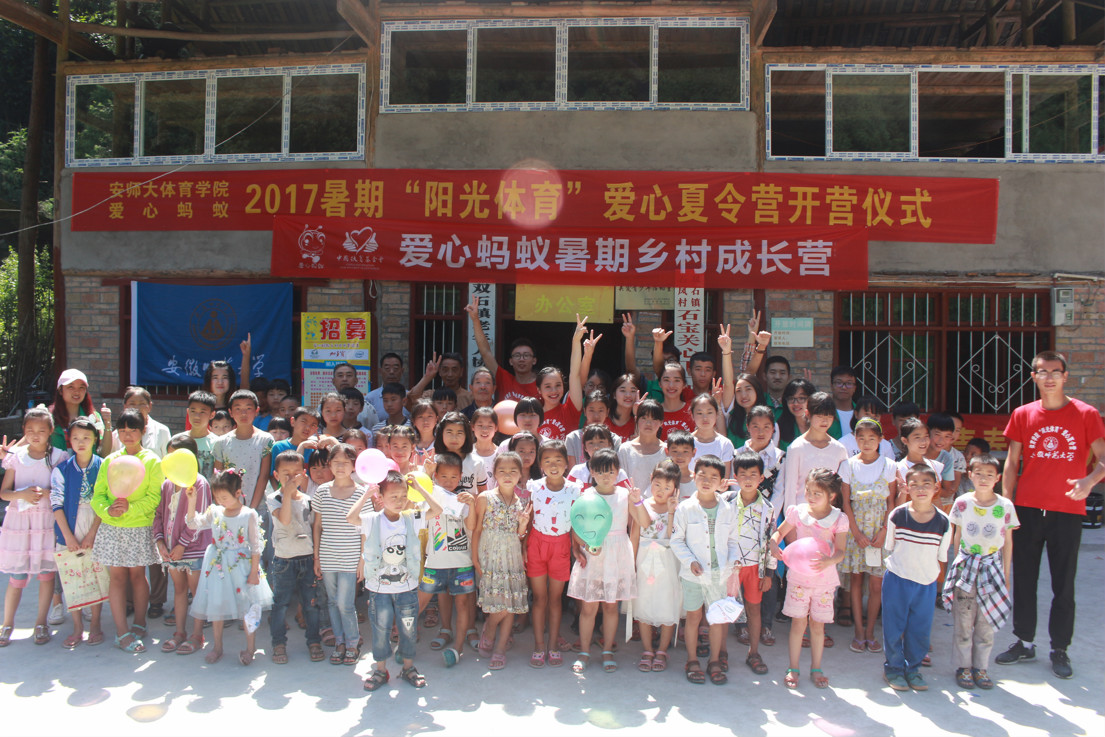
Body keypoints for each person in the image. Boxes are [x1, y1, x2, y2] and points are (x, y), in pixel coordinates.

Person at [995, 351, 1105, 680]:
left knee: (1063, 584)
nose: (1050, 377)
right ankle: (1024, 641)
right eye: (1043, 372)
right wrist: (1006, 504)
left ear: (1065, 376)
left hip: (1067, 510)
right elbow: (1012, 462)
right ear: (1033, 377)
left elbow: (1102, 458)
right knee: (1024, 579)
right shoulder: (1023, 414)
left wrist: (1089, 481)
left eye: (1056, 371)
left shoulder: (1086, 414)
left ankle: (1060, 648)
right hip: (1027, 509)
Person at [567, 449, 650, 674]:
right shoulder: (586, 496)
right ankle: (584, 652)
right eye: (601, 471)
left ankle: (607, 651)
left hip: (618, 552)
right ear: (592, 472)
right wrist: (584, 546)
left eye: (611, 472)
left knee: (611, 606)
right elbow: (577, 526)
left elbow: (644, 523)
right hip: (593, 553)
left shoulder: (625, 495)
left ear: (618, 472)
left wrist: (638, 501)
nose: (606, 476)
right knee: (588, 607)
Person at [90, 409, 164, 653]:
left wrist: (129, 509)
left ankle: (140, 622)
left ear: (143, 431)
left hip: (139, 528)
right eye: (122, 430)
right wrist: (108, 510)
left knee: (138, 576)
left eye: (133, 430)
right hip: (113, 528)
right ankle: (121, 632)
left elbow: (154, 498)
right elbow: (98, 496)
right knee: (117, 578)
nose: (127, 435)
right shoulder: (110, 460)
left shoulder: (152, 461)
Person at [943, 454, 1018, 691]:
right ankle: (963, 666)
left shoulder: (1005, 506)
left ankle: (981, 667)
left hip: (992, 569)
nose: (983, 478)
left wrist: (1006, 575)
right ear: (970, 475)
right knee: (964, 622)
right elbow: (957, 535)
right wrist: (956, 566)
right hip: (966, 568)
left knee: (986, 624)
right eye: (978, 473)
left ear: (997, 478)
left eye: (989, 474)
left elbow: (1008, 542)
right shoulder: (962, 502)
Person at [770, 468, 849, 689]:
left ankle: (816, 668)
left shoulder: (839, 518)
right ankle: (793, 667)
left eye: (817, 493)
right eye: (808, 491)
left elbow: (841, 551)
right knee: (798, 624)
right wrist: (774, 543)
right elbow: (779, 532)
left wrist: (829, 560)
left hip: (824, 582)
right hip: (798, 579)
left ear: (831, 496)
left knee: (817, 626)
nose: (810, 497)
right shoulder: (797, 512)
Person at [185, 468, 274, 666]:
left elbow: (256, 545)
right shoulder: (215, 511)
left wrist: (254, 572)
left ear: (238, 493)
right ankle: (217, 647)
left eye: (224, 497)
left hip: (242, 566)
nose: (220, 501)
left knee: (247, 607)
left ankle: (250, 648)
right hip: (218, 566)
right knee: (217, 604)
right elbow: (193, 524)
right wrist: (192, 501)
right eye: (217, 497)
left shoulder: (248, 514)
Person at [355, 471, 434, 690]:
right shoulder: (372, 520)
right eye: (393, 496)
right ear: (381, 496)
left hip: (407, 587)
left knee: (408, 628)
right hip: (378, 588)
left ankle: (408, 667)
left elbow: (436, 510)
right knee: (380, 629)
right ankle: (380, 670)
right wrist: (366, 495)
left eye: (403, 496)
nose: (399, 501)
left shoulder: (411, 518)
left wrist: (420, 489)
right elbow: (351, 518)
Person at [670, 455, 740, 685]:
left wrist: (732, 562)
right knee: (693, 617)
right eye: (703, 475)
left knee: (717, 619)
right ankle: (692, 660)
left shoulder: (728, 509)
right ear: (694, 476)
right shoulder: (685, 508)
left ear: (721, 482)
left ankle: (714, 660)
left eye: (714, 477)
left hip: (720, 574)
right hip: (693, 575)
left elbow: (733, 540)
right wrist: (690, 561)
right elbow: (676, 540)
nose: (707, 481)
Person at [881, 466, 952, 692]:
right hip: (897, 579)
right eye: (915, 485)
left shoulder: (943, 521)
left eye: (926, 484)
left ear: (936, 487)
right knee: (893, 626)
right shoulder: (897, 515)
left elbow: (941, 556)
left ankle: (913, 669)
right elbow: (890, 546)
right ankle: (893, 668)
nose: (921, 489)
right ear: (907, 488)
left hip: (926, 582)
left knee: (920, 628)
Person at [0, 408, 67, 647]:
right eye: (30, 430)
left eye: (41, 430)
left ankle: (41, 623)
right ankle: (7, 624)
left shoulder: (58, 457)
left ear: (51, 432)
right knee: (17, 576)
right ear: (23, 431)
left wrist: (47, 493)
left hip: (46, 522)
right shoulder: (16, 457)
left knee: (46, 574)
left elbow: (62, 490)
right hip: (20, 524)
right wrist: (22, 494)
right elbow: (4, 493)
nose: (35, 435)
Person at [838, 418, 897, 655]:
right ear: (855, 439)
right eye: (861, 438)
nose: (867, 443)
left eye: (872, 438)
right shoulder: (848, 465)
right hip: (857, 534)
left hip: (879, 535)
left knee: (875, 583)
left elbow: (891, 503)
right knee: (856, 581)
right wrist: (855, 532)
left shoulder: (889, 465)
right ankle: (859, 632)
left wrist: (884, 531)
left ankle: (871, 631)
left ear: (880, 440)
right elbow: (846, 503)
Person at [415, 452, 477, 668]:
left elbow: (471, 526)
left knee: (462, 604)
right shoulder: (430, 496)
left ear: (460, 477)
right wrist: (426, 474)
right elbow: (415, 501)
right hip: (435, 564)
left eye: (453, 477)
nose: (449, 481)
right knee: (419, 603)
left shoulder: (464, 499)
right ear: (435, 477)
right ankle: (405, 643)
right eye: (443, 476)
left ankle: (458, 647)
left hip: (462, 563)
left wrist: (472, 505)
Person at [524, 441, 583, 668]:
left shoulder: (574, 489)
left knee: (556, 599)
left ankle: (553, 646)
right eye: (547, 461)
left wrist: (575, 548)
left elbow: (576, 522)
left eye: (558, 460)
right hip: (536, 545)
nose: (553, 465)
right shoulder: (535, 487)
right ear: (540, 464)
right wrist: (524, 546)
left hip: (561, 547)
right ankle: (539, 646)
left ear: (567, 463)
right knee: (540, 598)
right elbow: (529, 518)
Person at [154, 434, 213, 654]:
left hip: (193, 550)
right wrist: (160, 541)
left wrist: (181, 545)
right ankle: (179, 632)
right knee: (178, 590)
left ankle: (197, 635)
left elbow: (200, 520)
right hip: (171, 551)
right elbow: (159, 515)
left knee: (196, 592)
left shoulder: (200, 483)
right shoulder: (167, 484)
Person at [49, 417, 106, 648]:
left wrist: (93, 533)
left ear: (95, 439)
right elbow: (56, 504)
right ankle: (77, 627)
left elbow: (105, 501)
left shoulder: (103, 466)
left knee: (96, 575)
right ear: (69, 441)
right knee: (72, 578)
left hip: (96, 526)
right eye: (75, 438)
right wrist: (68, 536)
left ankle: (96, 624)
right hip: (69, 527)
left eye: (86, 438)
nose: (81, 442)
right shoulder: (61, 470)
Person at [472, 452, 532, 670]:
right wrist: (475, 558)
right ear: (494, 474)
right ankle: (490, 629)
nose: (507, 475)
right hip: (490, 554)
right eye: (502, 471)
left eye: (513, 471)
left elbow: (520, 535)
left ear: (520, 474)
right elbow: (477, 530)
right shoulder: (485, 498)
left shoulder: (521, 502)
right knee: (499, 600)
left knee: (510, 603)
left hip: (512, 555)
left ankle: (499, 648)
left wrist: (523, 524)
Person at [723, 450, 779, 676]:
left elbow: (770, 540)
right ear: (735, 476)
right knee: (725, 609)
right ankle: (721, 652)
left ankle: (753, 652)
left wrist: (769, 573)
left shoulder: (768, 508)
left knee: (753, 608)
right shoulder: (725, 501)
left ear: (761, 477)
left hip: (755, 567)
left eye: (753, 474)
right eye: (742, 474)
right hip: (730, 567)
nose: (747, 479)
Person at [312, 443, 367, 665]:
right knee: (332, 602)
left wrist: (362, 560)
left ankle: (353, 643)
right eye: (336, 462)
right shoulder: (322, 491)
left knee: (346, 603)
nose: (341, 466)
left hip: (351, 557)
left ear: (354, 465)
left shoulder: (361, 492)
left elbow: (365, 530)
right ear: (329, 464)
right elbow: (318, 525)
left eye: (345, 462)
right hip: (327, 556)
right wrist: (316, 556)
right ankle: (340, 642)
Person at [267, 450, 324, 664]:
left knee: (311, 604)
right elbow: (284, 519)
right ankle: (278, 643)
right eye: (286, 474)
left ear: (303, 474)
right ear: (276, 475)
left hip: (307, 558)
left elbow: (315, 528)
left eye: (296, 474)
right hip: (284, 559)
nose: (291, 478)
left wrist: (317, 558)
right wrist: (288, 494)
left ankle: (314, 641)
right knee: (280, 604)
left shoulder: (308, 500)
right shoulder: (274, 498)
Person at [212, 390, 275, 571]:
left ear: (257, 410)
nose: (243, 413)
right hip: (229, 508)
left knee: (256, 555)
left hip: (257, 506)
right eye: (238, 409)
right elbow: (218, 477)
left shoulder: (265, 440)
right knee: (230, 556)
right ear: (230, 412)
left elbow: (263, 475)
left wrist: (251, 508)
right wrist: (224, 505)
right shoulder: (222, 442)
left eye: (248, 408)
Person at [632, 460, 682, 673]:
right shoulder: (642, 503)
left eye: (667, 487)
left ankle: (662, 650)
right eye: (657, 485)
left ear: (675, 489)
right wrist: (632, 563)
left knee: (667, 603)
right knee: (643, 601)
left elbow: (671, 536)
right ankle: (647, 649)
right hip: (645, 559)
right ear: (651, 480)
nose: (661, 491)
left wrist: (671, 512)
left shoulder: (678, 509)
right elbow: (637, 532)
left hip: (667, 560)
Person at [779, 392, 849, 514]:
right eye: (820, 416)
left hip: (830, 516)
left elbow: (843, 488)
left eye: (829, 416)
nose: (825, 421)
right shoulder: (796, 448)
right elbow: (790, 488)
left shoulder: (839, 449)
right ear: (808, 414)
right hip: (802, 515)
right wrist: (791, 521)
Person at [465, 297, 540, 403]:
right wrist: (475, 319)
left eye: (526, 355)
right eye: (517, 355)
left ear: (534, 360)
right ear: (511, 361)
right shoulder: (504, 379)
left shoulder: (542, 385)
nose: (521, 359)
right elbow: (485, 352)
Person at [535, 317, 589, 441]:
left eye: (558, 385)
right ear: (539, 390)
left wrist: (576, 340)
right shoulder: (533, 416)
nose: (554, 390)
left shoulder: (570, 410)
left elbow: (575, 374)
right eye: (548, 386)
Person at [48, 368, 111, 457]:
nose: (77, 392)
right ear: (60, 390)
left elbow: (104, 453)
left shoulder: (94, 416)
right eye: (71, 387)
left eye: (81, 387)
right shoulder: (49, 417)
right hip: (56, 466)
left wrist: (108, 423)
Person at [618, 399, 667, 493]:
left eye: (654, 419)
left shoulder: (666, 450)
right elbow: (621, 482)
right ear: (636, 419)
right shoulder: (625, 449)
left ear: (661, 422)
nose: (648, 423)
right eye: (644, 418)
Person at [894, 418, 944, 507]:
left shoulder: (936, 466)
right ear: (905, 440)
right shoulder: (899, 468)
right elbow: (897, 506)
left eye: (926, 436)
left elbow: (937, 500)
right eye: (917, 437)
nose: (924, 441)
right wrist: (903, 493)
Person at [111, 386, 171, 458]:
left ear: (149, 406)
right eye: (132, 404)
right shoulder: (116, 435)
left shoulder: (162, 431)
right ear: (125, 407)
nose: (137, 408)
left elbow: (168, 459)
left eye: (142, 404)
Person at [690, 394, 735, 478]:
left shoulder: (725, 444)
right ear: (692, 415)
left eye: (709, 412)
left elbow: (724, 479)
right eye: (699, 413)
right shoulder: (685, 442)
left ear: (717, 414)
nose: (705, 418)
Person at [362, 353, 407, 426]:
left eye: (395, 369)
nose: (391, 372)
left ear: (402, 371)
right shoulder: (370, 399)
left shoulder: (409, 397)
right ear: (380, 371)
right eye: (387, 369)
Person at [184, 391, 217, 482]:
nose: (197, 416)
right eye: (193, 411)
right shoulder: (178, 440)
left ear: (212, 415)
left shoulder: (217, 443)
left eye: (202, 412)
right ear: (188, 412)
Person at [657, 362, 694, 437]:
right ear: (660, 384)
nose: (671, 386)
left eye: (677, 380)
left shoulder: (694, 412)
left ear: (684, 384)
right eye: (666, 380)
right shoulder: (653, 413)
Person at [777, 378, 815, 452]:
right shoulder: (780, 427)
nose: (796, 403)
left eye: (801, 398)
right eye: (791, 398)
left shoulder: (823, 423)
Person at [665, 430, 699, 502]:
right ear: (667, 451)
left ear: (694, 452)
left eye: (685, 451)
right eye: (675, 451)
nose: (680, 456)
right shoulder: (661, 478)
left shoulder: (699, 480)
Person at [827, 366, 858, 440]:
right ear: (831, 386)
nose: (844, 387)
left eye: (849, 383)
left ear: (854, 388)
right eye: (839, 383)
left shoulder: (861, 412)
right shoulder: (824, 412)